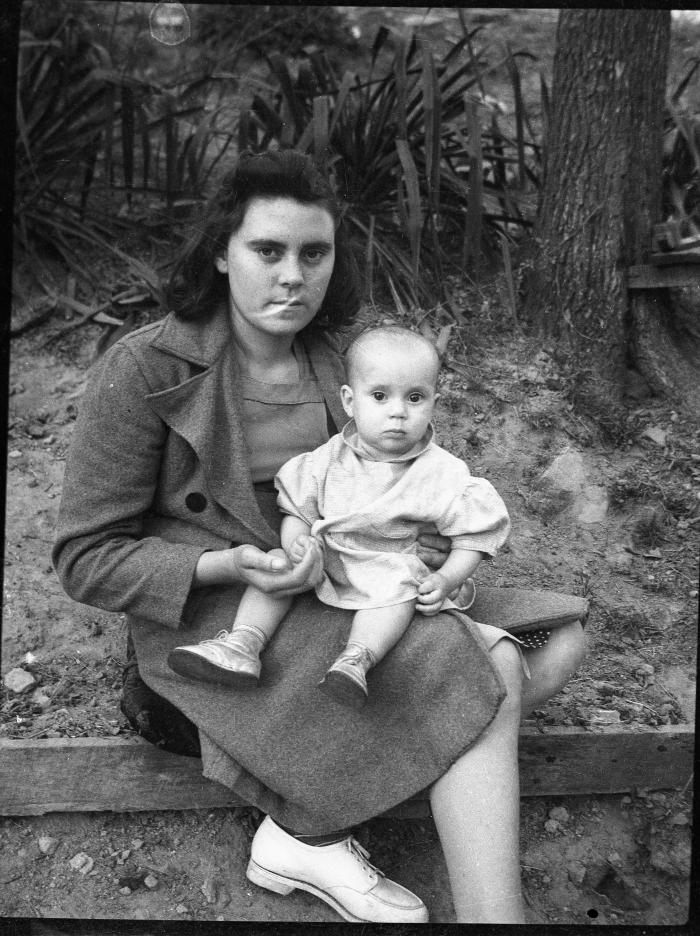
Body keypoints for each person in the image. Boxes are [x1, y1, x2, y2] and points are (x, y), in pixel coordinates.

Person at [53, 149, 586, 923]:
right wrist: (226, 561)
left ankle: (305, 825)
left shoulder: (348, 360)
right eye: (267, 251)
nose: (293, 275)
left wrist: (445, 559)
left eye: (314, 252)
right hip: (231, 620)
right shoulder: (143, 368)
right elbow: (84, 557)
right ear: (221, 252)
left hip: (359, 582)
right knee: (488, 661)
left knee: (561, 641)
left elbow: (418, 487)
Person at [167, 325, 513, 709]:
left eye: (415, 398)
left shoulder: (442, 473)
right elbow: (297, 509)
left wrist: (447, 577)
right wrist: (296, 543)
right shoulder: (327, 459)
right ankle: (243, 641)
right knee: (278, 566)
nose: (398, 412)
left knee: (399, 589)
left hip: (387, 561)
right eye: (380, 396)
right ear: (350, 401)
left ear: (433, 402)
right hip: (327, 556)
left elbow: (473, 537)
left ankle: (356, 659)